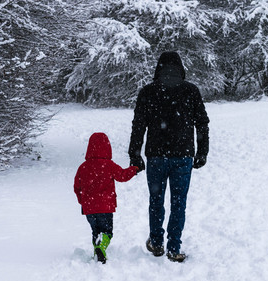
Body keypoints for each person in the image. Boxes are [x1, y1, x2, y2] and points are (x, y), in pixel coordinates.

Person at [128, 51, 210, 263]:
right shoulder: (190, 91)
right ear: (180, 68)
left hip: (156, 156)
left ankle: (156, 242)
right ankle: (174, 247)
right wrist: (202, 151)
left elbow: (138, 125)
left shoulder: (148, 91)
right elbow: (202, 122)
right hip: (183, 156)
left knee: (156, 200)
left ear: (159, 67)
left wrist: (135, 154)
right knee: (178, 202)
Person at [74, 132, 139, 264]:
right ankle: (101, 247)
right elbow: (122, 176)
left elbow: (77, 187)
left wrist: (83, 201)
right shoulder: (109, 165)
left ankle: (97, 252)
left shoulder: (83, 167)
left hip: (89, 208)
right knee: (107, 232)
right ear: (107, 147)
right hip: (105, 206)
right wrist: (134, 169)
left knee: (95, 230)